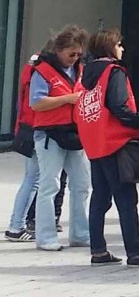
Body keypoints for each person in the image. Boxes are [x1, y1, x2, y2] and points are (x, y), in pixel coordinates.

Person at [74, 29, 139, 267]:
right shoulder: (114, 73)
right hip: (115, 142)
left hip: (94, 142)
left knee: (100, 198)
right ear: (110, 47)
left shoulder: (87, 76)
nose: (122, 49)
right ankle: (135, 253)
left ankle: (99, 250)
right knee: (126, 199)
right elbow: (119, 106)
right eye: (120, 44)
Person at [30, 25, 91, 252]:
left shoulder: (80, 70)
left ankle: (80, 234)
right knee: (49, 185)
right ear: (58, 50)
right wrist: (68, 99)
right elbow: (36, 103)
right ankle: (45, 237)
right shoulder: (42, 71)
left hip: (75, 133)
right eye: (70, 54)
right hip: (50, 134)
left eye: (78, 55)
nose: (74, 59)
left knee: (82, 184)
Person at [6, 51, 44, 242]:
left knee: (31, 179)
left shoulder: (31, 69)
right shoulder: (42, 72)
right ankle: (16, 226)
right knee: (33, 180)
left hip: (27, 127)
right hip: (36, 128)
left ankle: (16, 225)